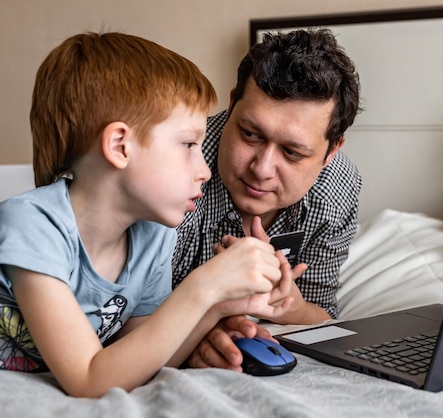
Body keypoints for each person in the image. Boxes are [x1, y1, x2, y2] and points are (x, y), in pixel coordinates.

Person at [0, 31, 302, 398]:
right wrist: (202, 285)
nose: (204, 169)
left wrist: (218, 304)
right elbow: (87, 379)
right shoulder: (33, 225)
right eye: (188, 145)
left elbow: (148, 356)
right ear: (120, 146)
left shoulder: (152, 237)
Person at [173, 28, 362, 369]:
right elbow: (117, 319)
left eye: (292, 153)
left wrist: (292, 306)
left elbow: (320, 313)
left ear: (332, 150)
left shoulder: (336, 189)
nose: (261, 169)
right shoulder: (174, 171)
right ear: (231, 105)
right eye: (250, 134)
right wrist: (197, 335)